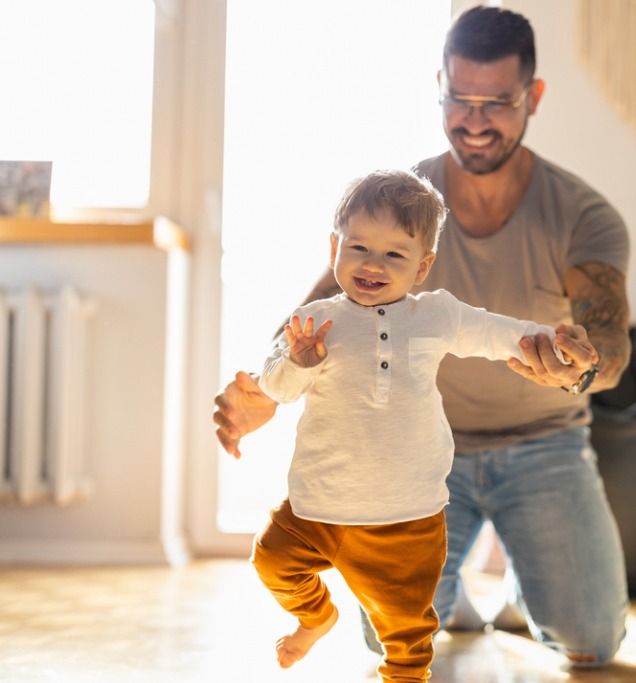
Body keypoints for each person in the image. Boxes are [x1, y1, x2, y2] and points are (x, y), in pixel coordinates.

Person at [215, 5, 632, 669]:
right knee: (387, 637)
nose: (473, 119)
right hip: (413, 466)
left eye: (496, 102)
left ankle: (528, 581)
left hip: (545, 446)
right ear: (438, 85)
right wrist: (265, 387)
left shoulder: (582, 214)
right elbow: (312, 317)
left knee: (590, 641)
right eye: (458, 99)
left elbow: (607, 343)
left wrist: (578, 366)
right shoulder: (399, 207)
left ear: (534, 97)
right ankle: (455, 594)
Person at [249, 168, 596, 683]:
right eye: (359, 247)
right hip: (316, 506)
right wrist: (300, 361)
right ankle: (315, 616)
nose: (372, 264)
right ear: (333, 249)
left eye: (394, 254)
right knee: (271, 562)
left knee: (407, 638)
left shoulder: (435, 316)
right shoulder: (316, 320)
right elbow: (276, 389)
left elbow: (500, 333)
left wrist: (554, 342)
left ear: (423, 266)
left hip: (406, 517)